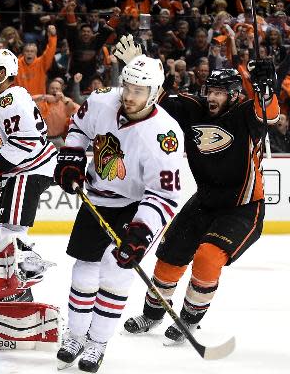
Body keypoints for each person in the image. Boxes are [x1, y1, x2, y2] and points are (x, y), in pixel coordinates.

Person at [115, 40, 280, 345]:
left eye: (219, 93)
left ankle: (189, 320)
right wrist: (140, 66)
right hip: (204, 201)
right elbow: (156, 101)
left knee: (207, 257)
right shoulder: (192, 108)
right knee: (169, 254)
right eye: (210, 91)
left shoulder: (245, 114)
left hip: (242, 207)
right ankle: (153, 313)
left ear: (234, 95)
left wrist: (266, 88)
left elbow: (268, 114)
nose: (212, 97)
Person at [53, 54, 186, 374]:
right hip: (97, 198)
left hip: (134, 207)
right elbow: (78, 128)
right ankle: (75, 336)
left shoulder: (164, 136)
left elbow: (165, 195)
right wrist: (71, 159)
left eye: (139, 90)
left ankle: (97, 342)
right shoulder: (101, 102)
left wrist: (141, 232)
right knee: (84, 272)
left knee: (115, 272)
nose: (129, 95)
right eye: (127, 86)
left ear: (154, 93)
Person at [0, 48, 57, 302]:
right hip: (27, 167)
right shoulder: (10, 96)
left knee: (11, 230)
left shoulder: (7, 100)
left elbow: (26, 141)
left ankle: (22, 288)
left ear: (2, 73)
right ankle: (11, 284)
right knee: (2, 228)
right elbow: (17, 142)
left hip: (32, 169)